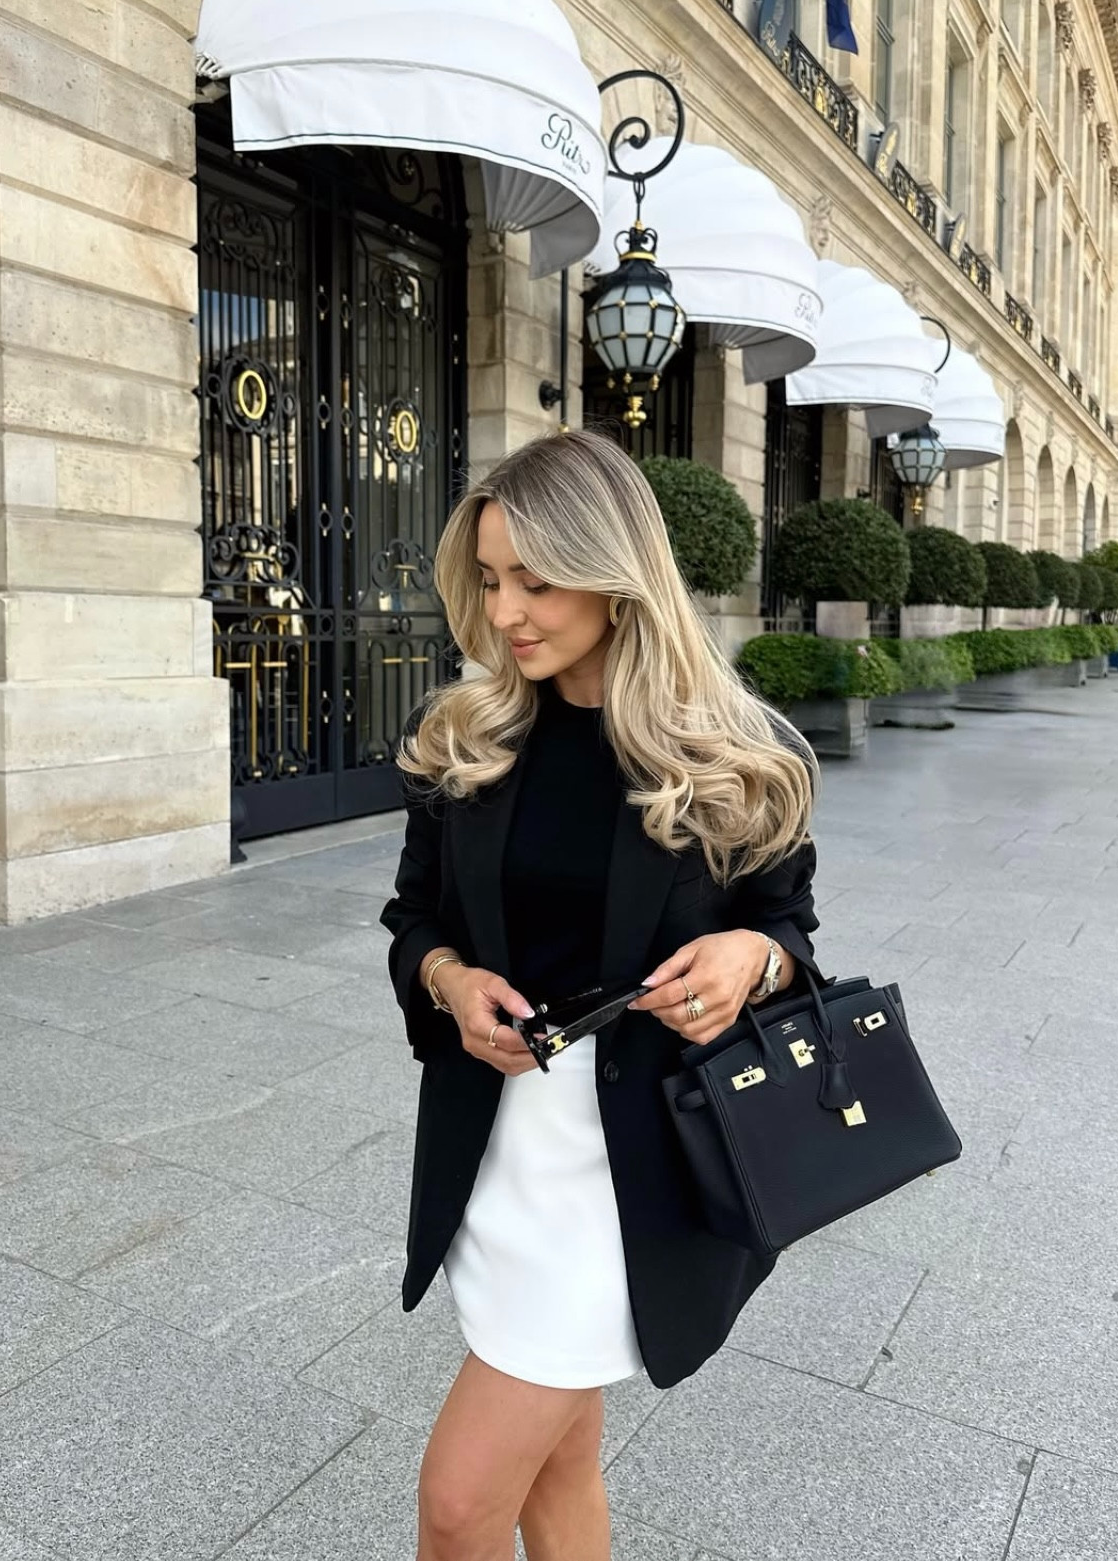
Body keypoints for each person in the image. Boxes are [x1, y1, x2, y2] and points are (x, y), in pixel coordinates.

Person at [380, 429, 822, 1561]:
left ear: (616, 572)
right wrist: (450, 977)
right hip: (496, 1151)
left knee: (457, 1502)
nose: (508, 608)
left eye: (538, 576)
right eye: (489, 578)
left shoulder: (733, 752)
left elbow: (790, 936)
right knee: (559, 1460)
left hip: (622, 1177)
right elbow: (414, 920)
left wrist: (749, 962)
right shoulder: (466, 737)